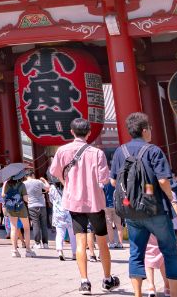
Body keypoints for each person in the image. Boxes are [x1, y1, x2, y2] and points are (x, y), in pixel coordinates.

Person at [110, 112, 177, 297]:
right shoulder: (153, 151)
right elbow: (163, 181)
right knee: (169, 250)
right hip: (156, 208)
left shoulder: (120, 151)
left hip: (132, 211)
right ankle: (172, 294)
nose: (150, 131)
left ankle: (137, 294)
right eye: (149, 128)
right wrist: (171, 198)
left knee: (136, 252)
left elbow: (113, 182)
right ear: (144, 130)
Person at [49, 116, 118, 293]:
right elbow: (103, 179)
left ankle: (84, 281)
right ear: (88, 133)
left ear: (71, 132)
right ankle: (107, 278)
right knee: (101, 241)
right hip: (94, 201)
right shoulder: (97, 153)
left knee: (80, 241)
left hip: (74, 201)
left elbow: (55, 172)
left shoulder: (62, 151)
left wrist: (67, 183)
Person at [1, 172, 32, 259]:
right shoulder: (22, 185)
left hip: (11, 208)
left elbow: (3, 195)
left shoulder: (7, 184)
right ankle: (28, 250)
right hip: (21, 208)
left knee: (13, 228)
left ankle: (14, 251)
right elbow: (26, 199)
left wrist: (4, 185)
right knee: (26, 228)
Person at [50, 177, 75, 262]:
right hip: (69, 213)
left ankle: (60, 251)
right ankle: (74, 253)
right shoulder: (68, 186)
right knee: (72, 234)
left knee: (59, 233)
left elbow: (51, 200)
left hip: (57, 213)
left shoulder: (52, 188)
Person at [24, 170, 50, 250]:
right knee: (44, 225)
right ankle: (45, 243)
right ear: (32, 174)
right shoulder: (38, 181)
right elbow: (47, 188)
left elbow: (24, 197)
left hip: (32, 205)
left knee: (35, 224)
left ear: (26, 176)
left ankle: (37, 243)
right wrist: (44, 180)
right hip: (42, 205)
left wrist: (29, 202)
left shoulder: (24, 184)